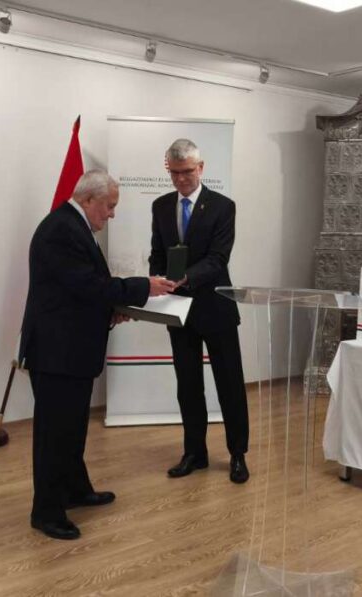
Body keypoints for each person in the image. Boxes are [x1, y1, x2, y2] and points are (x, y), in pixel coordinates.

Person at [19, 169, 177, 540]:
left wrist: (111, 310)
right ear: (88, 199)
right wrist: (144, 287)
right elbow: (87, 285)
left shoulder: (73, 226)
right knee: (55, 434)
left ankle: (75, 490)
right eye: (109, 206)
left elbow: (77, 292)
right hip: (57, 354)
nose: (112, 214)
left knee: (72, 428)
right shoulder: (62, 230)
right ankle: (46, 512)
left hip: (70, 350)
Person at [149, 138, 250, 484]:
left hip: (216, 308)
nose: (180, 179)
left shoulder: (223, 207)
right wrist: (158, 279)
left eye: (187, 172)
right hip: (178, 310)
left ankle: (237, 454)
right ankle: (195, 452)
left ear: (201, 167)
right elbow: (157, 252)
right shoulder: (161, 206)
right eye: (174, 173)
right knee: (188, 385)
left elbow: (218, 259)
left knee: (229, 383)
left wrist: (185, 278)